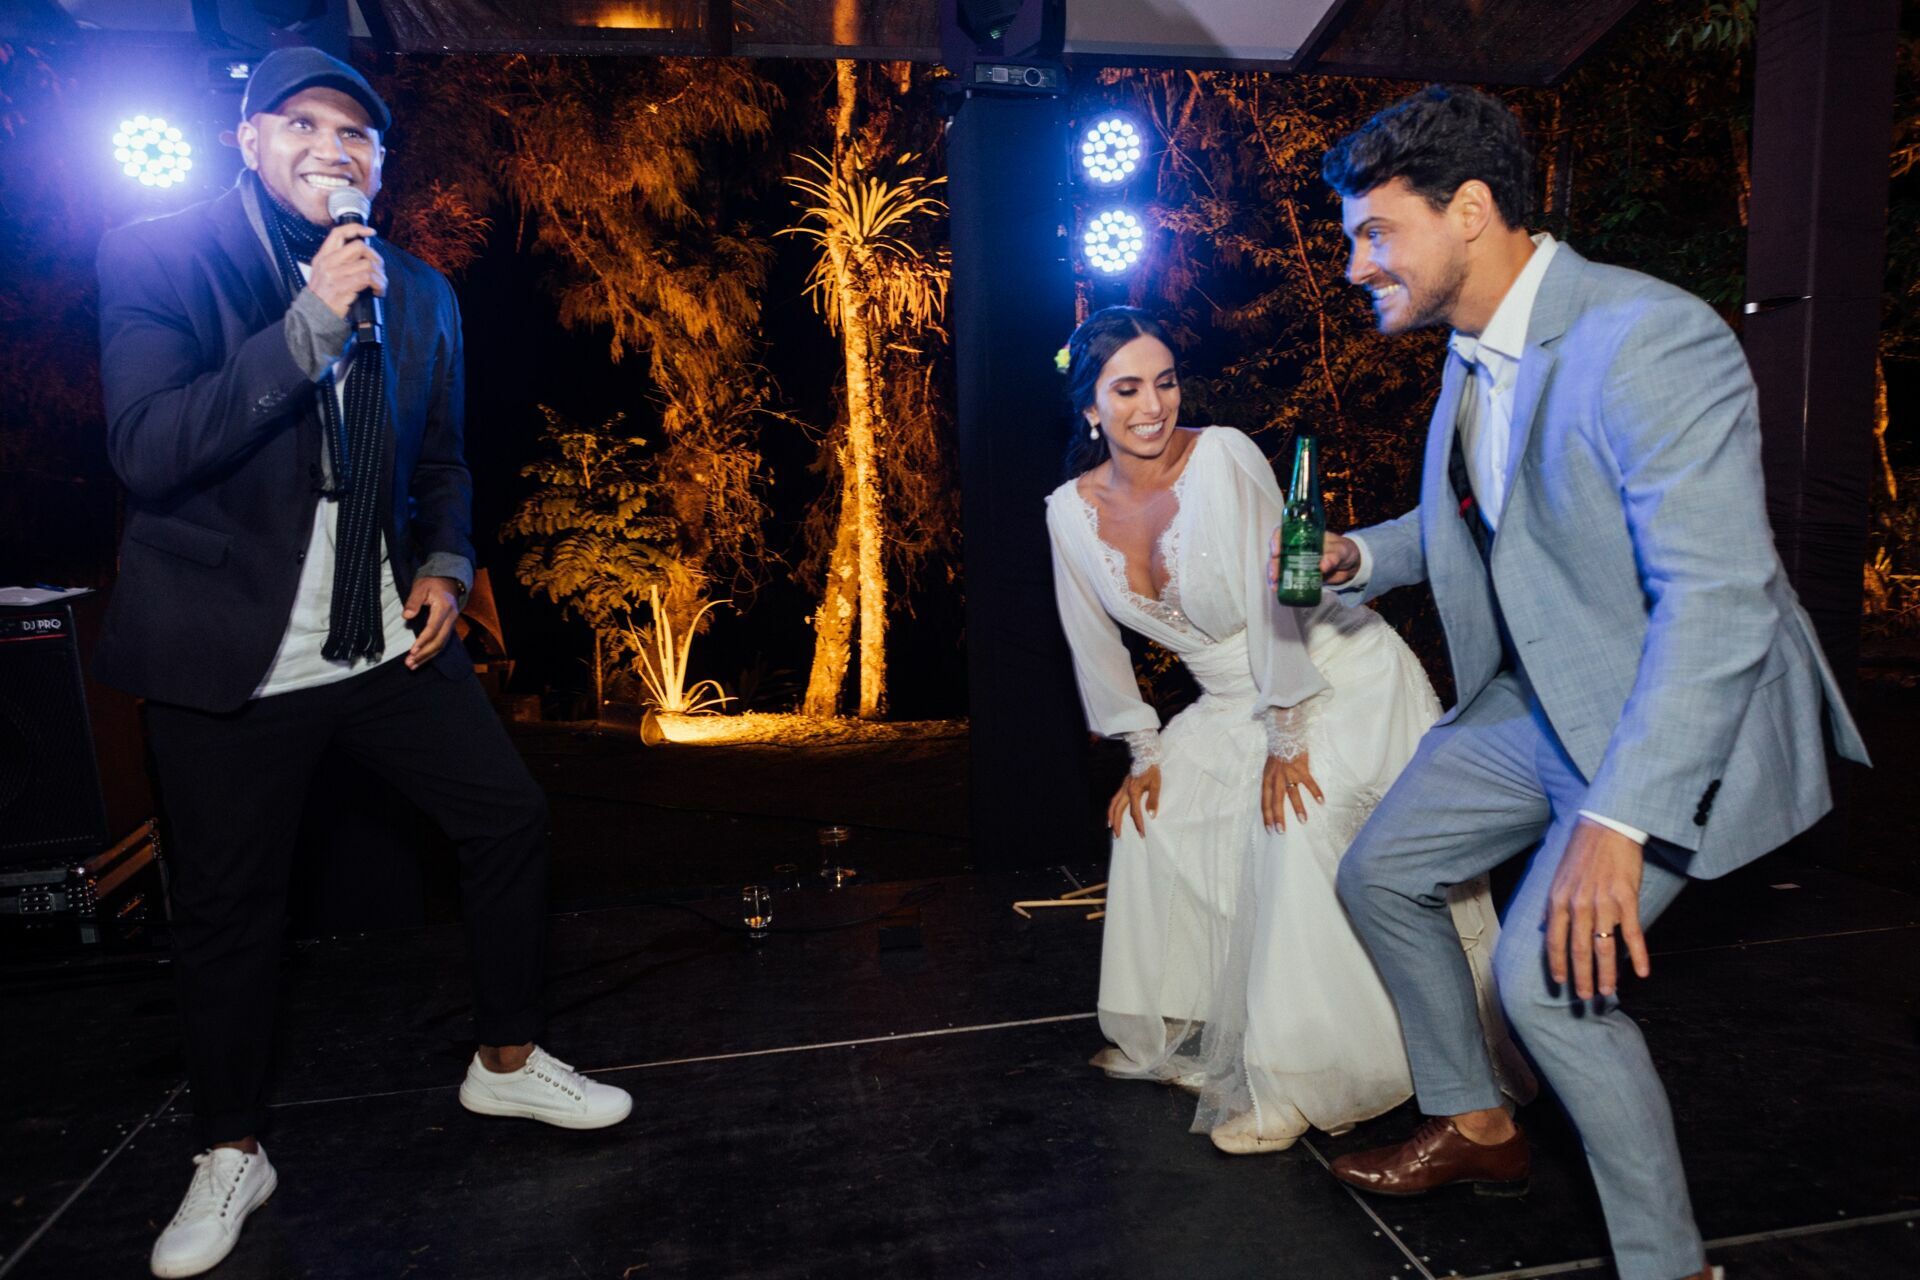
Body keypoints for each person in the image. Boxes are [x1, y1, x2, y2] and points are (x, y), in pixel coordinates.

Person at [1293, 85, 1868, 1280]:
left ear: (1470, 209)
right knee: (1383, 871)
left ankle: (1673, 1266)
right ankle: (1480, 1120)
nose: (1355, 264)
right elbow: (1492, 522)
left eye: (1374, 232)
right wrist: (1367, 553)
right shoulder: (1472, 351)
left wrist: (1618, 815)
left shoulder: (1645, 336)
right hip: (1539, 696)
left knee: (1543, 990)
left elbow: (1717, 602)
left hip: (1663, 710)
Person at [93, 48, 632, 1279]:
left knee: (508, 817)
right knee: (232, 913)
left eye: (359, 136)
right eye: (305, 125)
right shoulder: (158, 255)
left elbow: (443, 459)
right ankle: (230, 1147)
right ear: (248, 140)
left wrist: (443, 565)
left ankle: (504, 1062)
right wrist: (306, 327)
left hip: (382, 637)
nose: (336, 149)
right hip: (230, 652)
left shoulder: (423, 292)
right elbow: (150, 448)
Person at [1045, 307, 1534, 1156]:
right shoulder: (1066, 513)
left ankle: (1302, 1079)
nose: (1153, 405)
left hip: (1328, 670)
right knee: (1153, 815)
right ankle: (1205, 1023)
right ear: (1091, 409)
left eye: (1165, 381)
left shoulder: (1225, 455)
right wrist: (1143, 748)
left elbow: (1285, 594)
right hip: (1232, 697)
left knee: (1292, 821)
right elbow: (1091, 641)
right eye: (1127, 389)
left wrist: (1287, 734)